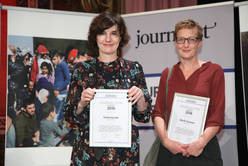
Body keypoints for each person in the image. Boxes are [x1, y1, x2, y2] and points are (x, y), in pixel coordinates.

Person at [64, 11, 152, 166]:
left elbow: (143, 116)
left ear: (121, 37)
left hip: (124, 154)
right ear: (95, 37)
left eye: (114, 33)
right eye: (102, 33)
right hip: (88, 153)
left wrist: (140, 98)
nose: (108, 39)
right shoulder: (81, 70)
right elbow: (70, 117)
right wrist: (82, 103)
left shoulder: (133, 68)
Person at [152, 19, 225, 166]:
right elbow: (158, 113)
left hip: (204, 151)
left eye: (191, 39)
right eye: (181, 39)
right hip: (170, 153)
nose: (186, 44)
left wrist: (201, 142)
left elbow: (217, 116)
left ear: (199, 43)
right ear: (175, 43)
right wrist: (166, 141)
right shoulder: (167, 74)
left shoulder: (214, 71)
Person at [51, 51, 70, 121]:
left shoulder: (63, 64)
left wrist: (58, 89)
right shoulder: (58, 65)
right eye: (52, 59)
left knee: (58, 114)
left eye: (54, 59)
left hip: (61, 93)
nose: (53, 61)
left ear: (59, 57)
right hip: (57, 92)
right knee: (57, 113)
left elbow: (68, 79)